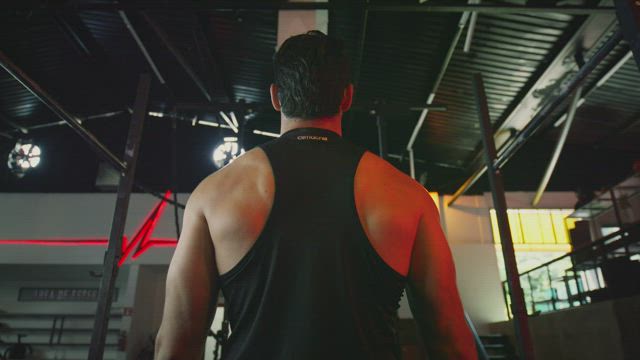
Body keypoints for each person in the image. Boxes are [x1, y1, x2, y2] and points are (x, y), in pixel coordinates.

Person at [155, 30, 476, 360]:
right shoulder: (408, 196)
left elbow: (176, 343)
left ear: (276, 97)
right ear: (347, 98)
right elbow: (449, 338)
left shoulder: (214, 194)